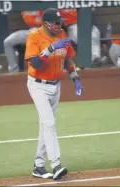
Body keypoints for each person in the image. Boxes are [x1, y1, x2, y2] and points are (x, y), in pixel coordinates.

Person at [25, 8, 83, 180]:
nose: (59, 25)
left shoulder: (62, 34)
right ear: (46, 24)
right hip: (38, 86)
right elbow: (34, 63)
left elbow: (68, 57)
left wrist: (75, 78)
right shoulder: (34, 37)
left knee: (46, 126)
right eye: (56, 23)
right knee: (49, 123)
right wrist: (50, 49)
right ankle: (56, 164)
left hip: (55, 86)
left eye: (60, 22)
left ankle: (39, 165)